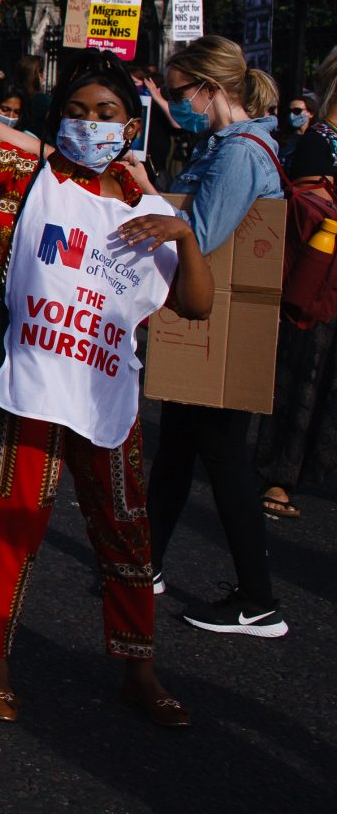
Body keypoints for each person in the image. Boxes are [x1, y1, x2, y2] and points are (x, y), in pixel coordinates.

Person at [0, 0, 212, 728]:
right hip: (28, 387)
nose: (91, 123)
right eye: (78, 109)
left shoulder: (140, 194)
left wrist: (181, 237)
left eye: (106, 112)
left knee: (126, 529)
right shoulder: (27, 171)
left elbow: (198, 305)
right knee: (14, 521)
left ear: (130, 127)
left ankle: (138, 668)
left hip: (106, 396)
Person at [144, 36, 288, 637]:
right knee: (179, 444)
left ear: (211, 88)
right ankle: (143, 564)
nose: (177, 104)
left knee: (223, 457)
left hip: (221, 324)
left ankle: (258, 602)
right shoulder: (229, 145)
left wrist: (144, 187)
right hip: (211, 322)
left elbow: (196, 236)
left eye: (180, 93)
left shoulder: (238, 154)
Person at [258, 51, 337, 521]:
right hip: (317, 275)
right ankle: (279, 474)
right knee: (303, 372)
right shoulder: (318, 143)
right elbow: (313, 208)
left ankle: (302, 468)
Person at [279, 92, 314, 164]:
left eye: (297, 111)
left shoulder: (317, 139)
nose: (291, 115)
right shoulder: (280, 138)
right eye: (289, 111)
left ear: (310, 113)